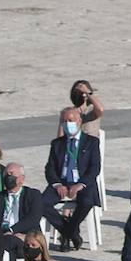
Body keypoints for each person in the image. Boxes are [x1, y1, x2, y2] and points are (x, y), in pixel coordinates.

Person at [42, 108, 101, 251]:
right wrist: (57, 185)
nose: (68, 124)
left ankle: (67, 233)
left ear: (79, 121)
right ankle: (70, 232)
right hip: (62, 182)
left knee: (86, 202)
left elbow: (95, 168)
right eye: (65, 121)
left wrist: (81, 184)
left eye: (71, 121)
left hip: (82, 183)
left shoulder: (91, 142)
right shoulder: (57, 144)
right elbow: (50, 168)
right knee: (41, 203)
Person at [0, 163, 44, 249]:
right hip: (3, 234)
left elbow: (34, 218)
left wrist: (12, 230)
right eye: (6, 175)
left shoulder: (33, 195)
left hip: (25, 234)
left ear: (21, 179)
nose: (8, 177)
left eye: (11, 174)